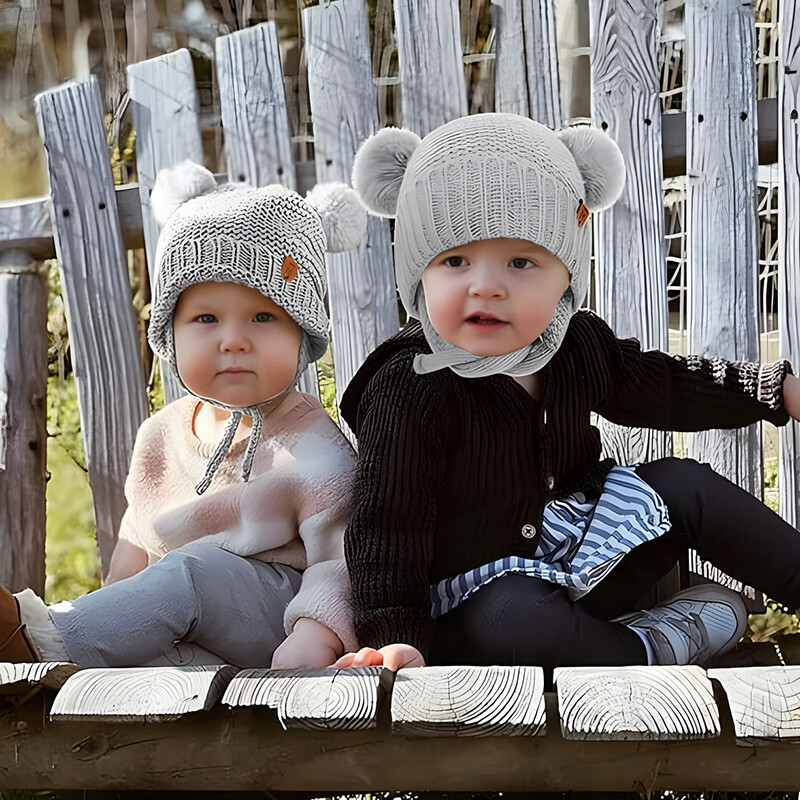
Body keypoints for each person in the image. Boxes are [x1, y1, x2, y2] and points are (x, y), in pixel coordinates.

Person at [335, 113, 800, 674]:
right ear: (418, 275)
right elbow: (388, 524)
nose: (486, 285)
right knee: (516, 620)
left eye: (522, 261)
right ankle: (653, 648)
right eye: (455, 260)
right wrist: (395, 637)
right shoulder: (412, 385)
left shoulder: (574, 343)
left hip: (583, 551)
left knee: (687, 485)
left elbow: (665, 386)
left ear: (566, 277)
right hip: (481, 600)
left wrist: (776, 391)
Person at [0, 161, 367, 669]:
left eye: (263, 316)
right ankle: (81, 651)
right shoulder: (161, 434)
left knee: (193, 571)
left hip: (280, 620)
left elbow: (342, 563)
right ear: (171, 335)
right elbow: (137, 542)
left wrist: (316, 635)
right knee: (168, 616)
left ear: (303, 334)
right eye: (205, 318)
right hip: (191, 626)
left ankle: (38, 641)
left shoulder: (314, 450)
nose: (233, 340)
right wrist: (113, 614)